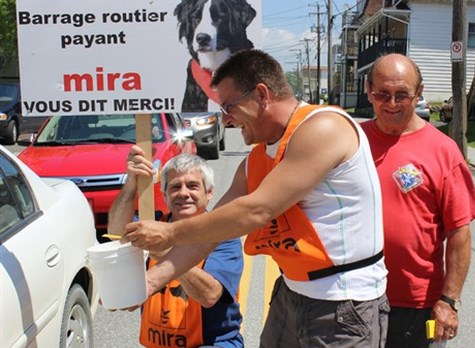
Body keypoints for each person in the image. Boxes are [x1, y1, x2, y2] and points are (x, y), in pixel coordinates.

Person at [123, 49, 389, 347]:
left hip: (342, 302)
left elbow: (256, 211)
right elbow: (210, 232)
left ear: (262, 95)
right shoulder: (257, 160)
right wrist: (148, 284)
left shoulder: (323, 127)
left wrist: (170, 232)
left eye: (229, 107)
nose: (225, 121)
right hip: (292, 293)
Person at [360, 53, 475, 347]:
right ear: (368, 91)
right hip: (354, 298)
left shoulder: (443, 150)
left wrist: (449, 301)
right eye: (382, 94)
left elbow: (459, 233)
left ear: (419, 92)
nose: (391, 103)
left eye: (402, 94)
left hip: (416, 304)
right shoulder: (352, 141)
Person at [108, 148, 244, 348]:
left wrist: (165, 252)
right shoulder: (153, 227)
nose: (183, 193)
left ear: (209, 193)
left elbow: (209, 295)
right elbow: (117, 233)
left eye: (192, 185)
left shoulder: (222, 235)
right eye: (175, 187)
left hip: (212, 343)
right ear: (164, 195)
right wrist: (131, 183)